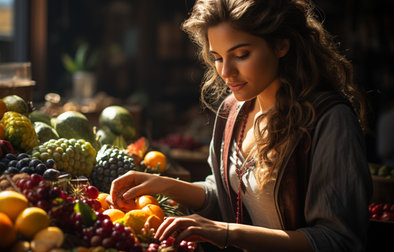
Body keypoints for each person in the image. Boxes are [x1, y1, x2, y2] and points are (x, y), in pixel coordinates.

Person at [109, 0, 373, 251]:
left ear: (281, 45)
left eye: (241, 54)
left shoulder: (330, 120)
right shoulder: (233, 110)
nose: (225, 72)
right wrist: (162, 184)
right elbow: (224, 194)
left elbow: (338, 239)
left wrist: (228, 233)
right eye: (217, 57)